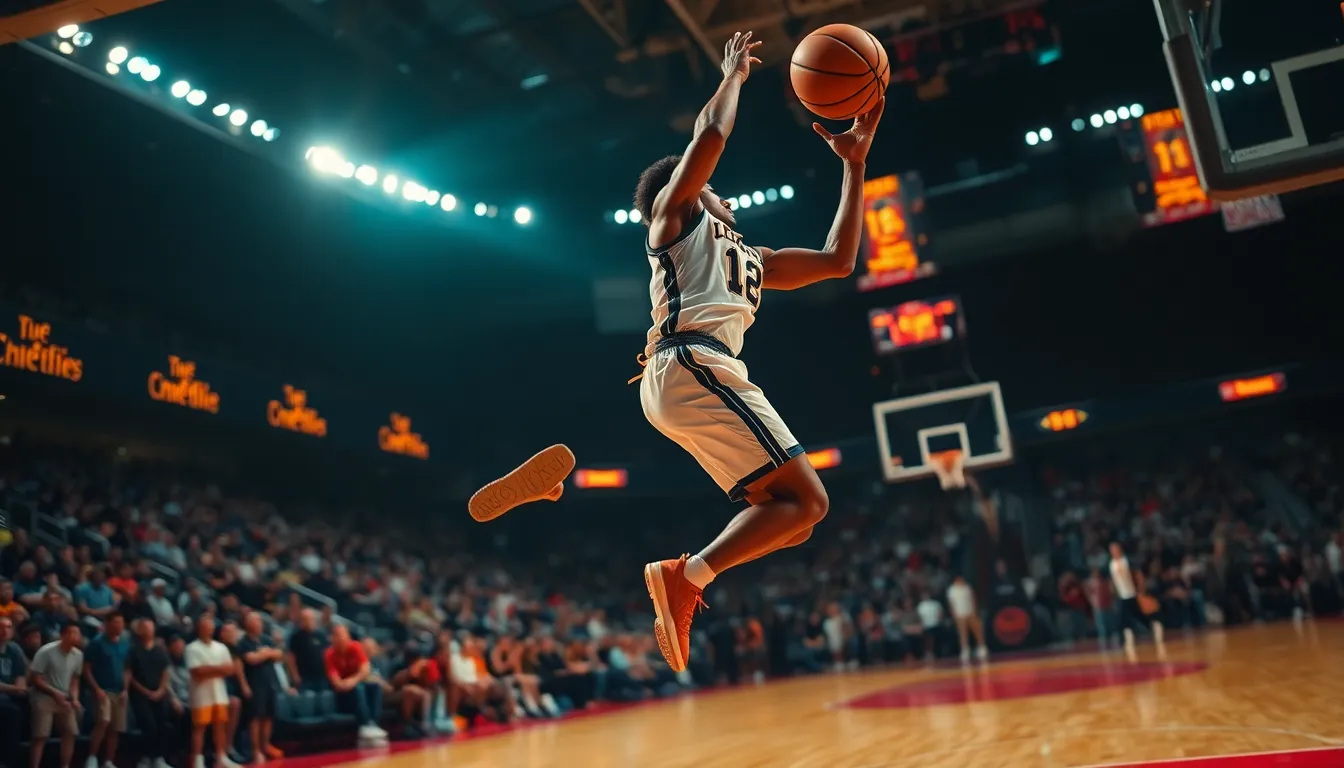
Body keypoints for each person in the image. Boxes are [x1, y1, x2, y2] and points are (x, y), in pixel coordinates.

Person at [632, 30, 885, 673]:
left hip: (694, 375)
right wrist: (734, 76)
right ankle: (686, 576)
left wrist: (853, 165)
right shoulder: (673, 216)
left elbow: (838, 260)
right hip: (691, 363)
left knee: (795, 517)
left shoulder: (749, 257)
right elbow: (709, 139)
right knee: (810, 502)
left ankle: (689, 575)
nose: (725, 193)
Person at [185, 614, 242, 768]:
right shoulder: (192, 648)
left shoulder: (221, 647)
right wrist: (218, 669)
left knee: (220, 726)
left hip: (219, 693)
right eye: (205, 627)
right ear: (199, 629)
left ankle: (221, 757)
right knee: (199, 728)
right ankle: (198, 760)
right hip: (201, 694)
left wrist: (209, 669)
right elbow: (196, 671)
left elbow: (230, 669)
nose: (208, 630)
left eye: (210, 627)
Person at [29, 620, 85, 768]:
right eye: (71, 633)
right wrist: (55, 693)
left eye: (77, 634)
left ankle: (65, 765)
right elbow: (35, 678)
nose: (74, 637)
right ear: (62, 635)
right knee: (41, 735)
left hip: (64, 697)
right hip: (44, 695)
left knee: (71, 732)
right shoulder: (46, 651)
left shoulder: (78, 655)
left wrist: (74, 698)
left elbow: (75, 679)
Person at [323, 624, 387, 745]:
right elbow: (335, 681)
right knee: (359, 688)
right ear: (333, 639)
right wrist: (344, 684)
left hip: (355, 685)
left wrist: (352, 680)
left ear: (348, 637)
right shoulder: (329, 654)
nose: (341, 639)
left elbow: (365, 669)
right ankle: (365, 725)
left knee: (374, 686)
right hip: (341, 695)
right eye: (337, 636)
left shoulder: (356, 647)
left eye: (343, 636)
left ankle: (373, 724)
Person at [83, 611, 131, 768]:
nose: (119, 626)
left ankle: (108, 761)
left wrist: (126, 689)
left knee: (116, 728)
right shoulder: (96, 643)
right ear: (107, 624)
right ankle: (91, 757)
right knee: (103, 722)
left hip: (120, 691)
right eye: (116, 622)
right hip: (103, 690)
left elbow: (127, 669)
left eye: (121, 622)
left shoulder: (125, 643)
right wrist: (96, 688)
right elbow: (87, 668)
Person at [126, 617, 174, 768]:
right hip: (140, 694)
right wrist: (145, 691)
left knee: (162, 725)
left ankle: (159, 758)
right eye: (145, 627)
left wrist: (160, 690)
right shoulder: (133, 650)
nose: (148, 630)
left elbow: (166, 671)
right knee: (148, 725)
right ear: (139, 630)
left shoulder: (160, 649)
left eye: (150, 627)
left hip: (159, 693)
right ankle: (146, 757)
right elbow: (130, 675)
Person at [237, 612, 284, 762]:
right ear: (247, 624)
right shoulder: (244, 642)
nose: (259, 623)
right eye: (255, 620)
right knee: (256, 718)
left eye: (259, 620)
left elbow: (279, 655)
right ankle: (255, 750)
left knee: (268, 716)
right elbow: (251, 659)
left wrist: (264, 653)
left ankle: (266, 745)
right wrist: (266, 654)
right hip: (255, 685)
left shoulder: (266, 639)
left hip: (270, 682)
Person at [1108, 542, 1165, 660]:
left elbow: (1138, 575)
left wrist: (1140, 588)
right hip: (1122, 595)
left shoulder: (1127, 561)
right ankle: (1129, 639)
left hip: (1133, 593)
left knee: (1139, 614)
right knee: (1123, 617)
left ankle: (1154, 625)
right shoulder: (1112, 565)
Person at [0, 615, 30, 768]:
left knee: (25, 705)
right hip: (4, 696)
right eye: (1, 627)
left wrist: (21, 687)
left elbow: (21, 675)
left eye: (8, 627)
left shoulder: (14, 649)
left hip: (10, 696)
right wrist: (16, 689)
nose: (5, 631)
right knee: (10, 710)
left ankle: (10, 761)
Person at [947, 576, 988, 662]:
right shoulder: (951, 590)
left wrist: (975, 611)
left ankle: (981, 648)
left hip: (970, 613)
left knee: (977, 631)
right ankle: (965, 650)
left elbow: (973, 599)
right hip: (960, 614)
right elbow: (951, 603)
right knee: (963, 634)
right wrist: (954, 614)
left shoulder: (967, 588)